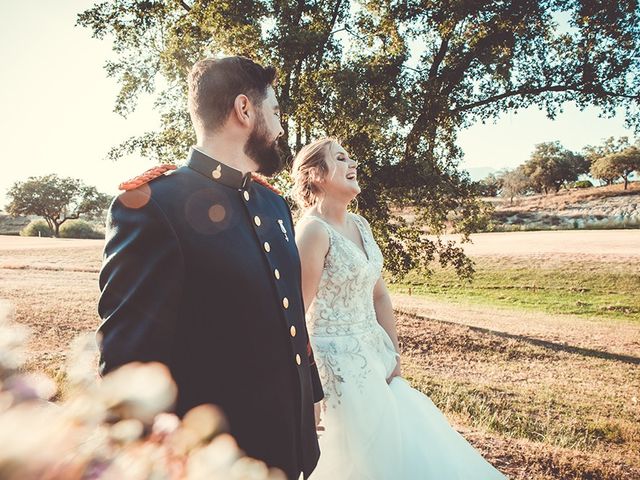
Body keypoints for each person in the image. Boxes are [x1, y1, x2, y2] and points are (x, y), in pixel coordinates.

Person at [97, 56, 323, 480]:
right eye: (275, 113)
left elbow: (289, 317)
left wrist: (308, 404)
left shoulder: (274, 205)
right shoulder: (155, 206)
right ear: (244, 110)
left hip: (289, 449)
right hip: (215, 462)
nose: (280, 129)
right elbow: (128, 365)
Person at [292, 138, 507, 479]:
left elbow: (380, 296)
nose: (353, 164)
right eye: (341, 158)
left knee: (409, 436)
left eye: (351, 156)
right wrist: (307, 386)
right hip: (337, 365)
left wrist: (393, 354)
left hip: (375, 352)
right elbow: (299, 314)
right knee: (367, 454)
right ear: (316, 174)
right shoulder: (312, 232)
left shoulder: (360, 225)